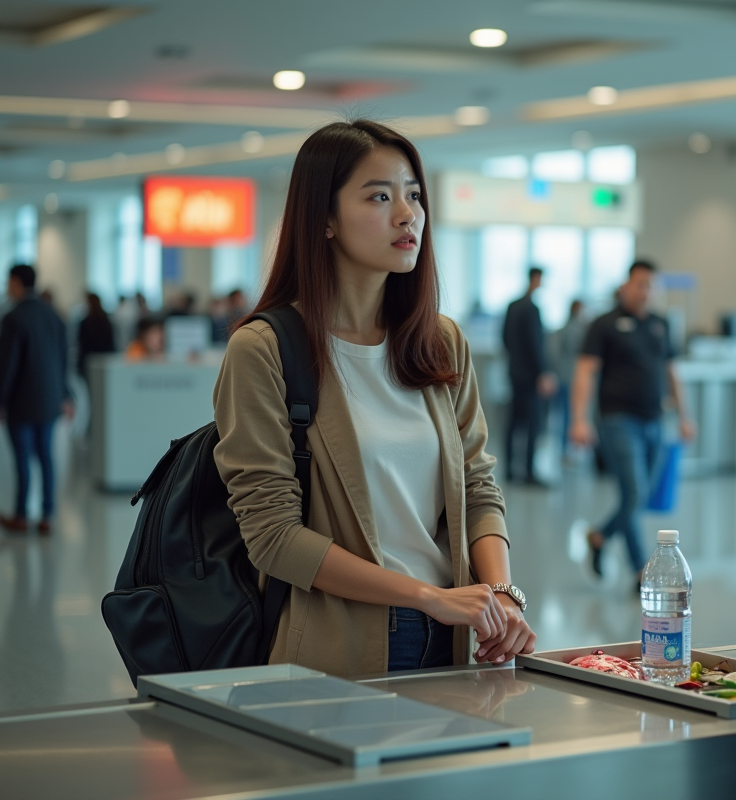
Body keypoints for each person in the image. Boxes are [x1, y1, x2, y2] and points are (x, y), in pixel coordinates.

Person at [213, 119, 534, 677]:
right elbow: (274, 537)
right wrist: (422, 597)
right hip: (339, 641)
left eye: (413, 195)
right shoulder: (263, 349)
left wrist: (500, 592)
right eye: (380, 196)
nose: (407, 214)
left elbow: (478, 487)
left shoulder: (441, 342)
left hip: (461, 634)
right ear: (326, 218)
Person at [571, 260, 694, 586]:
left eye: (651, 286)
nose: (645, 291)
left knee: (639, 496)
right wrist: (579, 420)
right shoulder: (604, 325)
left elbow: (672, 372)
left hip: (655, 421)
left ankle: (600, 536)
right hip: (616, 420)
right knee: (635, 492)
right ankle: (641, 570)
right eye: (639, 284)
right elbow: (585, 371)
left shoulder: (661, 324)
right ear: (626, 285)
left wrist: (685, 417)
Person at [0, 265, 73, 534]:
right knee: (46, 457)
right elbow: (63, 359)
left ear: (17, 282)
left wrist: (2, 400)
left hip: (21, 401)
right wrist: (65, 394)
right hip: (49, 400)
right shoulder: (53, 314)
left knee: (22, 459)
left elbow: (7, 365)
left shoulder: (13, 318)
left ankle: (21, 514)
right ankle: (47, 515)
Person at [501, 267, 556, 486]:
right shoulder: (531, 309)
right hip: (531, 376)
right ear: (535, 279)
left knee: (513, 422)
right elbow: (535, 344)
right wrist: (542, 373)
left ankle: (509, 470)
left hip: (515, 372)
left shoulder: (512, 306)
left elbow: (504, 338)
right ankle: (529, 472)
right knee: (532, 423)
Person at [548, 299, 588, 454]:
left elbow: (554, 354)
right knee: (573, 416)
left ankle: (566, 449)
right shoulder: (582, 330)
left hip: (564, 377)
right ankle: (573, 449)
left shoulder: (563, 330)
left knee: (564, 415)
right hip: (574, 379)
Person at [77, 292, 116, 381]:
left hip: (90, 362)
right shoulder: (106, 320)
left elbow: (82, 345)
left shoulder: (85, 323)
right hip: (105, 360)